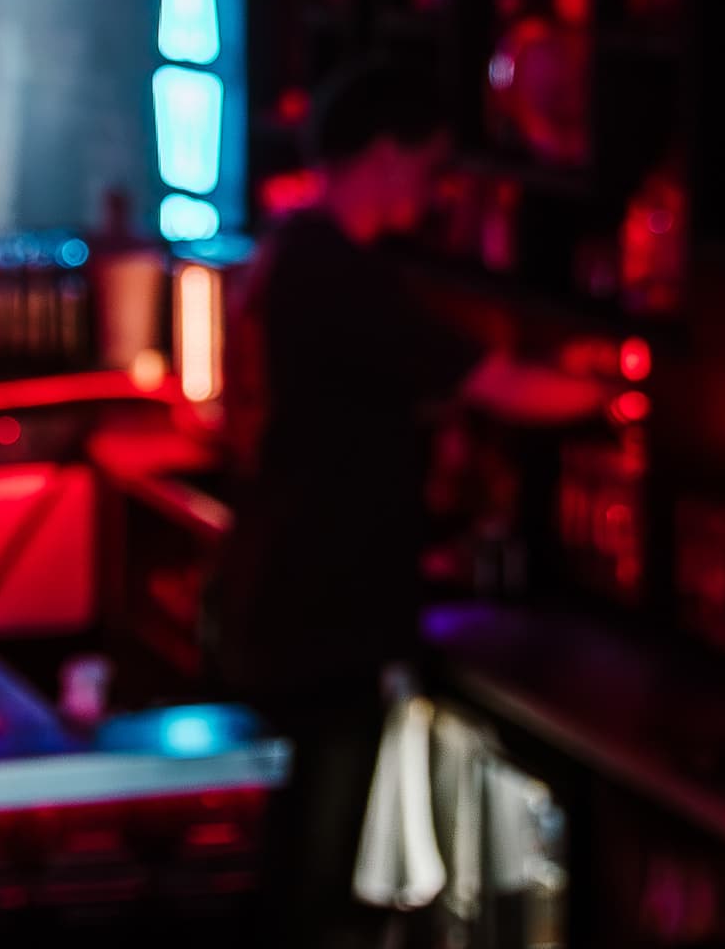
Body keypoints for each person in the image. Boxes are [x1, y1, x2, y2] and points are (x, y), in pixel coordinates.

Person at [214, 58, 606, 947]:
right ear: (387, 154)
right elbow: (496, 384)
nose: (434, 194)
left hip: (285, 602)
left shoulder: (295, 252)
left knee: (294, 874)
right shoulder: (337, 272)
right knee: (314, 893)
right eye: (431, 168)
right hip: (320, 620)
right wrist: (616, 391)